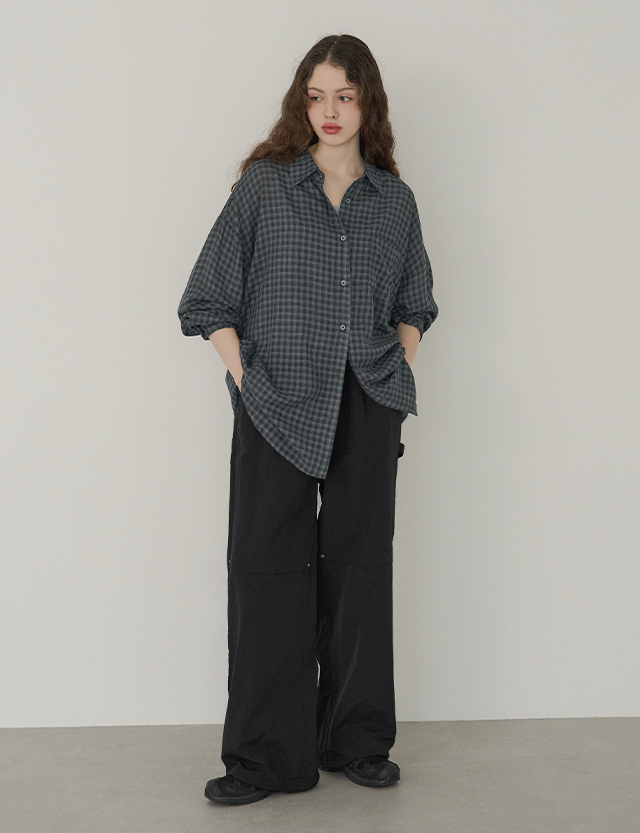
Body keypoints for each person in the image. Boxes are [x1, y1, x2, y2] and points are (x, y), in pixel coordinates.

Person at [177, 33, 438, 807]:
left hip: (366, 398)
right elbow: (207, 297)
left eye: (345, 96)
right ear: (302, 101)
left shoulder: (394, 202)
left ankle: (355, 740)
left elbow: (416, 301)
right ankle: (266, 757)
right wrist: (247, 377)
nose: (330, 111)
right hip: (277, 399)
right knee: (267, 571)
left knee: (360, 571)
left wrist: (392, 372)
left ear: (367, 104)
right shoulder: (265, 188)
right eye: (317, 96)